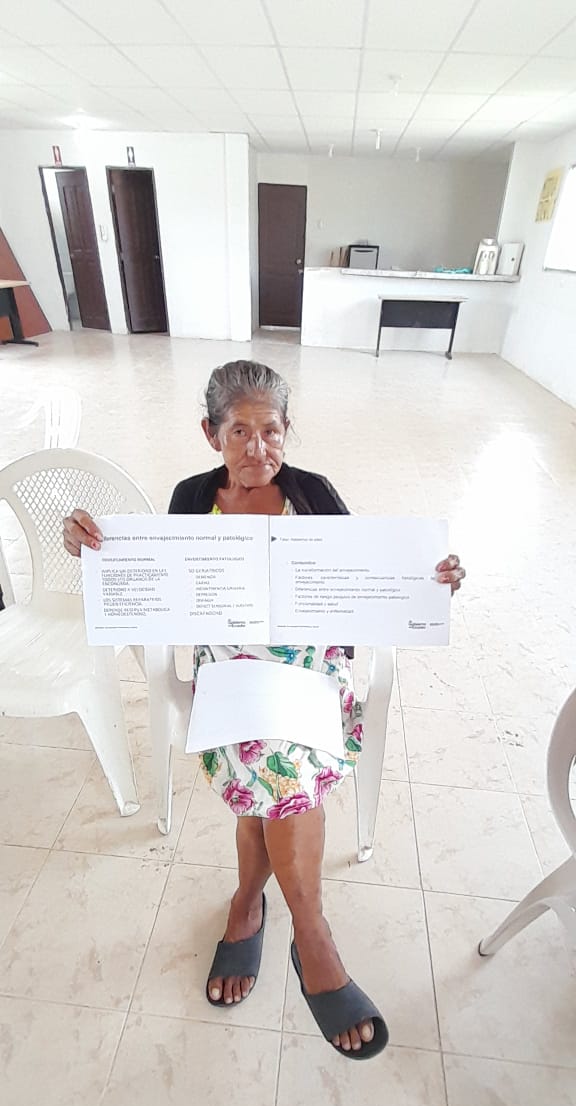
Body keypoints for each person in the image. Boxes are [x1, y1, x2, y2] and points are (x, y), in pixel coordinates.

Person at [63, 359, 466, 1060]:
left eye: (271, 431)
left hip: (308, 667)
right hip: (230, 669)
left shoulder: (312, 493)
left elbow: (366, 575)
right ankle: (312, 936)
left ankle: (253, 908)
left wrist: (430, 581)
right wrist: (91, 549)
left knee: (275, 765)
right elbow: (159, 580)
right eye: (239, 432)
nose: (258, 448)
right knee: (277, 760)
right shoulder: (193, 498)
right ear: (210, 433)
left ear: (287, 431)